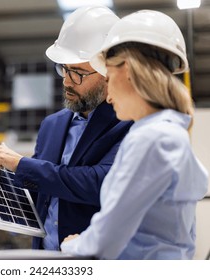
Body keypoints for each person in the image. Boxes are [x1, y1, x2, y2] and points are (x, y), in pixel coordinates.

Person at [0, 5, 133, 250]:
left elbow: (100, 183)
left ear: (107, 71)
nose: (67, 81)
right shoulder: (52, 126)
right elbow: (38, 194)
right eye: (64, 69)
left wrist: (20, 164)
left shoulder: (127, 121)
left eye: (78, 73)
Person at [60, 10, 208, 260]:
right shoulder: (169, 133)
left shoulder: (152, 139)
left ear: (127, 70)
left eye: (109, 75)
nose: (107, 96)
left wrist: (74, 243)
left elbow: (103, 241)